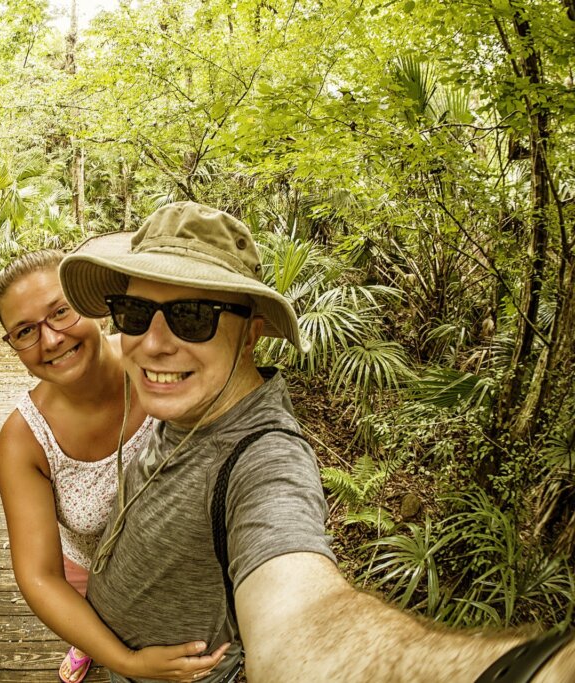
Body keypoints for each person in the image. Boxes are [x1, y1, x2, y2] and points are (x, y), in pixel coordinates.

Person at [57, 201, 575, 683]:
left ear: (252, 332)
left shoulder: (263, 457)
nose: (152, 342)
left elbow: (301, 614)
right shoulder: (185, 395)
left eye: (193, 317)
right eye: (133, 312)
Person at [0, 250, 230, 683]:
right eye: (25, 331)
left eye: (60, 312)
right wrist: (127, 662)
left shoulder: (157, 355)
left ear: (94, 305)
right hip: (94, 573)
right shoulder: (24, 439)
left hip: (192, 562)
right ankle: (89, 640)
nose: (50, 340)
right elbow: (39, 575)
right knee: (99, 630)